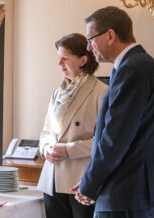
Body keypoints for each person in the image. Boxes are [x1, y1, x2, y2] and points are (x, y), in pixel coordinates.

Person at [71, 6, 154, 218]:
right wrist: (93, 182)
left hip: (126, 192)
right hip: (125, 191)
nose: (88, 48)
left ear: (110, 36)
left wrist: (90, 182)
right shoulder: (131, 67)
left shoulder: (133, 69)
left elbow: (115, 139)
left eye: (90, 39)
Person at [37, 33, 108, 218]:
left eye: (65, 58)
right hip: (51, 177)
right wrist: (45, 148)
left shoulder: (102, 92)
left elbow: (105, 142)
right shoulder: (57, 93)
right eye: (59, 58)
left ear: (83, 60)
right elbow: (46, 130)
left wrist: (68, 150)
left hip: (80, 178)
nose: (60, 64)